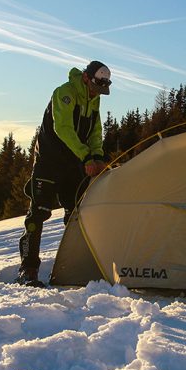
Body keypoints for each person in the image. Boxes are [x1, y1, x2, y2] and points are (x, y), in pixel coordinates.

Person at [16, 60, 112, 286]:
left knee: (76, 213)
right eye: (95, 87)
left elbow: (95, 131)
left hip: (74, 164)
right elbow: (63, 128)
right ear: (86, 78)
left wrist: (97, 156)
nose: (96, 92)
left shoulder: (94, 98)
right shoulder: (64, 93)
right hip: (49, 161)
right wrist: (86, 156)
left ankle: (75, 267)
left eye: (101, 90)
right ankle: (28, 269)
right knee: (38, 213)